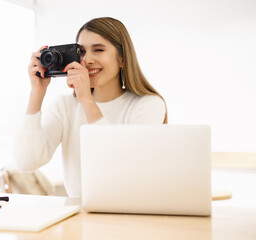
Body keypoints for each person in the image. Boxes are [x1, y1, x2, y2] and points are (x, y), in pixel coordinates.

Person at [15, 17, 167, 198]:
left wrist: (86, 99)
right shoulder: (64, 106)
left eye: (99, 50)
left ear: (123, 59)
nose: (87, 60)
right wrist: (37, 93)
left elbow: (120, 165)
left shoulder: (148, 105)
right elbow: (27, 161)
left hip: (131, 213)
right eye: (81, 52)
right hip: (80, 215)